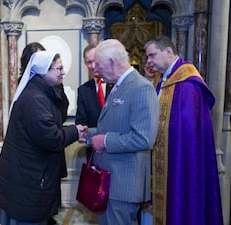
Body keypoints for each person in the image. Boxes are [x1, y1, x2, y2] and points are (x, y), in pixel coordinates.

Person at [0, 51, 87, 225]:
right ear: (44, 71)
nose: (63, 72)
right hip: (29, 179)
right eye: (59, 68)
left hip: (26, 175)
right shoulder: (36, 99)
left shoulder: (39, 92)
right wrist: (75, 131)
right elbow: (52, 138)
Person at [144, 35, 223, 225]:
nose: (148, 61)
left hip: (181, 161)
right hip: (163, 160)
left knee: (181, 200)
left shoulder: (188, 84)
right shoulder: (162, 81)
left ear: (169, 52)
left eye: (152, 55)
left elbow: (187, 133)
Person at [88, 39, 159, 225]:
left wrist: (105, 141)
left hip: (123, 185)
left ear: (112, 62)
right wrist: (88, 133)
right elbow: (114, 127)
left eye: (98, 63)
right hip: (109, 182)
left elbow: (144, 138)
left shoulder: (141, 87)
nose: (95, 69)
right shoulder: (118, 85)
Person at [19, 42, 69, 225]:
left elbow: (63, 107)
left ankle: (49, 214)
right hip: (40, 144)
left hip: (52, 137)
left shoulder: (54, 83)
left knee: (52, 183)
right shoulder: (30, 90)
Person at [75, 44, 112, 161]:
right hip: (94, 152)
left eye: (95, 61)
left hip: (117, 150)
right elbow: (81, 122)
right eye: (88, 62)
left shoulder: (117, 84)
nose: (92, 66)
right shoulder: (83, 90)